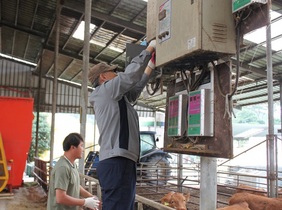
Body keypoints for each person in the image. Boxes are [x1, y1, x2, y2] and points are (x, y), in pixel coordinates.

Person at [88, 40, 156, 210]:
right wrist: (148, 49)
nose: (117, 74)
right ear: (103, 77)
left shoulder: (115, 96)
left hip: (120, 161)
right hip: (116, 161)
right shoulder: (106, 91)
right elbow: (129, 77)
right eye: (114, 72)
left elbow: (134, 90)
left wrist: (151, 66)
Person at [47, 133, 100, 210]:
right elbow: (60, 198)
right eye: (81, 146)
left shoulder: (72, 164)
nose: (83, 149)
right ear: (73, 147)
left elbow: (75, 185)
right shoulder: (63, 167)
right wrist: (84, 202)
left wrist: (91, 197)